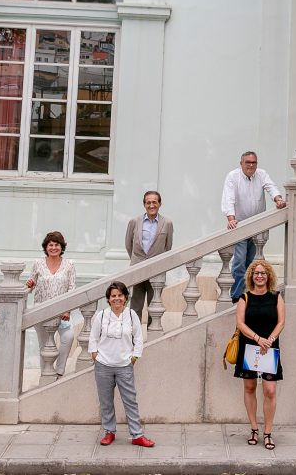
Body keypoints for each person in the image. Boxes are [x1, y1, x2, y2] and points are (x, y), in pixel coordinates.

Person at [89, 281, 155, 448]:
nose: (116, 299)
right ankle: (109, 432)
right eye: (113, 296)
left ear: (125, 297)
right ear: (108, 299)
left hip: (124, 365)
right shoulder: (101, 315)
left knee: (130, 400)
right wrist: (95, 356)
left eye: (120, 295)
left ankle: (137, 435)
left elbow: (138, 339)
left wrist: (134, 358)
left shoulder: (132, 315)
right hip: (103, 364)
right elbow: (93, 338)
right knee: (106, 401)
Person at [221, 151, 287, 300]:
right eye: (248, 162)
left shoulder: (261, 174)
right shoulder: (233, 176)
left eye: (254, 162)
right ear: (241, 164)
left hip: (257, 228)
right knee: (239, 263)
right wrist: (231, 219)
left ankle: (250, 293)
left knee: (253, 264)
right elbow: (228, 198)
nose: (251, 165)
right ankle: (237, 296)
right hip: (240, 227)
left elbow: (271, 187)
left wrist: (278, 199)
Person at [234, 259, 285, 450]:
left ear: (269, 276)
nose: (260, 276)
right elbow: (240, 323)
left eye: (263, 273)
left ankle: (268, 432)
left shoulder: (276, 297)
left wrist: (269, 340)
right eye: (256, 273)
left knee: (270, 390)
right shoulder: (244, 298)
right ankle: (254, 428)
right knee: (249, 387)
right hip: (250, 346)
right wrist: (258, 338)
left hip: (270, 348)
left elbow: (281, 322)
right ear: (251, 276)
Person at [25, 231, 76, 377]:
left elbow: (72, 288)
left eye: (57, 245)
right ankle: (45, 374)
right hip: (41, 310)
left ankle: (59, 370)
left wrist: (68, 310)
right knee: (44, 344)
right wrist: (30, 284)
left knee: (68, 337)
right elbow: (30, 286)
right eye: (50, 245)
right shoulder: (38, 264)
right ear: (46, 247)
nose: (53, 248)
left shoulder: (69, 265)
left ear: (62, 247)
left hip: (62, 311)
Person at [125, 191, 173, 325]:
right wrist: (137, 261)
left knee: (154, 307)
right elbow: (128, 244)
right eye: (148, 202)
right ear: (144, 205)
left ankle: (152, 337)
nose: (151, 205)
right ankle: (134, 338)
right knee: (135, 308)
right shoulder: (134, 222)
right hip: (137, 269)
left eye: (154, 202)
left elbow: (168, 247)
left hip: (156, 271)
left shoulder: (167, 223)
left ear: (159, 204)